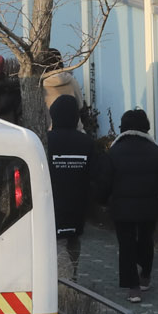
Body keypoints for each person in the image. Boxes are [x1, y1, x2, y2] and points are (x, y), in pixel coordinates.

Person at [97, 108, 158, 303]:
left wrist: (101, 200)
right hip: (149, 208)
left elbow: (105, 182)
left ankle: (133, 288)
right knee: (146, 239)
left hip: (122, 209)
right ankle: (145, 276)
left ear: (123, 128)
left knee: (126, 244)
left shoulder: (114, 152)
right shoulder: (156, 152)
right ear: (146, 128)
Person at [45, 94, 103, 279]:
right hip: (78, 200)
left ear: (53, 115)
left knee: (52, 238)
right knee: (73, 237)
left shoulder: (45, 140)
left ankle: (54, 276)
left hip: (51, 199)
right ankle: (73, 274)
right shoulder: (86, 142)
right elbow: (95, 173)